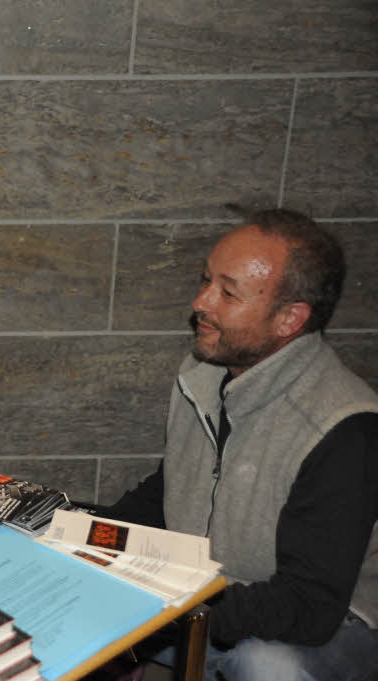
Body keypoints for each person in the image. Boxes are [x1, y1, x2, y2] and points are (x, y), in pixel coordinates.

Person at [106, 209, 378, 681]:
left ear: (289, 320)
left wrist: (165, 612)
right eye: (206, 281)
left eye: (227, 292)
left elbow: (308, 608)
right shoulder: (208, 375)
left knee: (261, 664)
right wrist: (81, 536)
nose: (201, 302)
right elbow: (174, 486)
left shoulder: (345, 431)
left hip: (335, 625)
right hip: (225, 595)